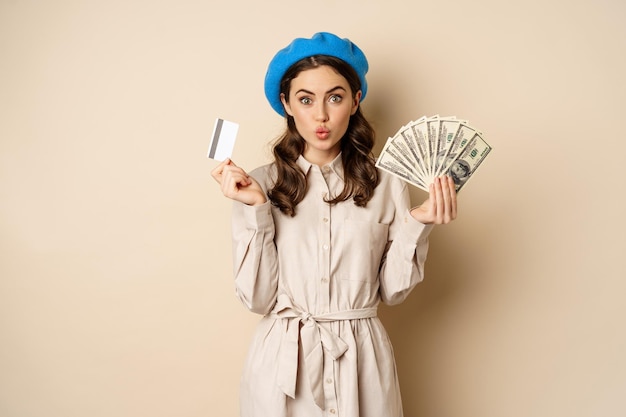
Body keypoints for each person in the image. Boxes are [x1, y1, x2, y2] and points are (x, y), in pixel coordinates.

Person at [211, 32, 457, 417]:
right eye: (305, 99)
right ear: (286, 104)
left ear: (356, 100)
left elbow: (392, 293)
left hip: (361, 364)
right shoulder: (258, 184)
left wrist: (417, 223)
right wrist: (258, 209)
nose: (321, 115)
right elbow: (257, 298)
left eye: (336, 97)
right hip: (282, 367)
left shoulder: (387, 183)